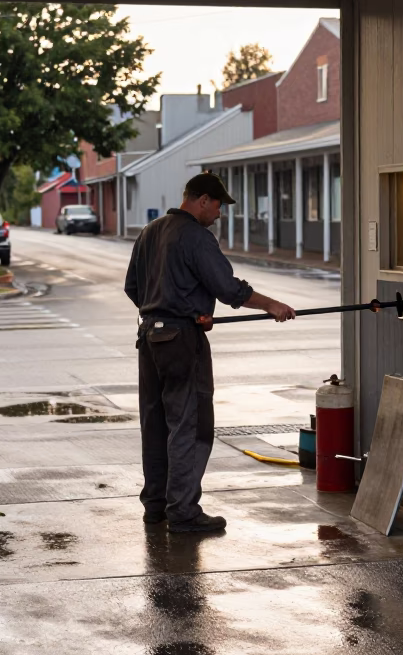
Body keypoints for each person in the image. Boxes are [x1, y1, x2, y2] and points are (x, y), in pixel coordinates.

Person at [124, 172, 296, 533]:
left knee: (155, 425)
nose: (219, 214)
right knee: (189, 425)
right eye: (218, 206)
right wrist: (272, 305)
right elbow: (228, 288)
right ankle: (184, 512)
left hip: (149, 339)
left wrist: (173, 309)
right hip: (181, 344)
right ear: (202, 200)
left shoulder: (150, 231)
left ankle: (156, 507)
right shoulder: (196, 236)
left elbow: (133, 288)